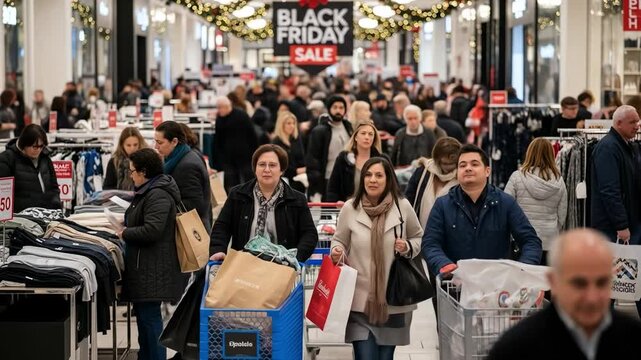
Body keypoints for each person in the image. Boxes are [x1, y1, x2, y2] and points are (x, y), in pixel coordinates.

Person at [488, 229, 641, 360]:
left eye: (601, 283)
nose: (592, 297)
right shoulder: (516, 348)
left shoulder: (633, 339)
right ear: (553, 281)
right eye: (579, 284)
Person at [329, 157, 423, 360]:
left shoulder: (402, 207)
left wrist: (406, 246)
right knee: (365, 356)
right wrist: (337, 251)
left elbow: (418, 237)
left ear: (388, 179)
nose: (373, 180)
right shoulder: (350, 208)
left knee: (385, 357)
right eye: (368, 175)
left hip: (393, 301)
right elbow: (339, 240)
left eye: (379, 175)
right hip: (359, 300)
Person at [422, 144, 542, 276]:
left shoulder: (505, 203)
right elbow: (430, 243)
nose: (468, 168)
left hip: (498, 287)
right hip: (456, 285)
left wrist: (523, 269)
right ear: (457, 172)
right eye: (462, 165)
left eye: (474, 164)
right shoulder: (442, 205)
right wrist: (443, 264)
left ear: (487, 171)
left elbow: (530, 241)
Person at [118, 148, 183, 360]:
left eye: (133, 171)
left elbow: (153, 230)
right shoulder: (149, 190)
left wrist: (125, 232)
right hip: (146, 266)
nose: (130, 175)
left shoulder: (158, 194)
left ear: (144, 171)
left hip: (152, 268)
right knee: (145, 322)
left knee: (150, 320)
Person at [210, 144, 318, 261]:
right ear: (255, 169)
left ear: (281, 170)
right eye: (261, 165)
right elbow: (222, 227)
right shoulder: (237, 195)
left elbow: (309, 234)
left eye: (272, 165)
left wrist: (294, 259)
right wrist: (218, 250)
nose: (267, 169)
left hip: (282, 269)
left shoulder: (297, 199)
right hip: (243, 266)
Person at [504, 138, 567, 265]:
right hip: (549, 240)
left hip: (522, 240)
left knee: (522, 281)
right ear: (551, 154)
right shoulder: (559, 181)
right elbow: (562, 215)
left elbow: (506, 208)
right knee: (545, 281)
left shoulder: (517, 177)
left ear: (529, 152)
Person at [155, 121, 212, 233]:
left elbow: (193, 205)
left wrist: (159, 207)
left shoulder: (187, 166)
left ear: (174, 141)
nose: (156, 146)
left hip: (191, 231)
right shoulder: (178, 158)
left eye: (160, 142)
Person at [0, 124, 60, 212]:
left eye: (41, 146)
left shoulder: (45, 158)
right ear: (24, 144)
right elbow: (4, 194)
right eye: (35, 146)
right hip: (20, 219)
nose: (38, 150)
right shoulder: (7, 159)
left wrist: (56, 204)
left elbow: (54, 186)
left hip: (47, 215)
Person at [306, 95, 353, 201]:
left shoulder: (349, 128)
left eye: (341, 108)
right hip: (326, 178)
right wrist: (316, 180)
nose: (338, 110)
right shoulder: (319, 131)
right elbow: (313, 158)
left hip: (346, 179)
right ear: (329, 109)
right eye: (335, 107)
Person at [326, 120, 384, 202]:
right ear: (356, 137)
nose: (367, 137)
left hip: (375, 209)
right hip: (348, 209)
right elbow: (333, 188)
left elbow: (393, 188)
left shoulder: (382, 160)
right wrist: (336, 203)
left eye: (370, 134)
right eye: (363, 133)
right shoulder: (343, 159)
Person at [214, 96, 259, 192]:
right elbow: (218, 140)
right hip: (228, 158)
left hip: (245, 155)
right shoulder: (219, 119)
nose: (218, 110)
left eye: (220, 107)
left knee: (249, 181)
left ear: (227, 106)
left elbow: (252, 135)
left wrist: (255, 153)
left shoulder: (241, 115)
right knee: (231, 184)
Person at [272, 111, 306, 193]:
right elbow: (278, 165)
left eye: (293, 123)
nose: (292, 126)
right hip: (284, 180)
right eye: (289, 123)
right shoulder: (276, 142)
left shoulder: (296, 139)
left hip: (300, 179)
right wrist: (296, 171)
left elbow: (302, 158)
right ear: (282, 125)